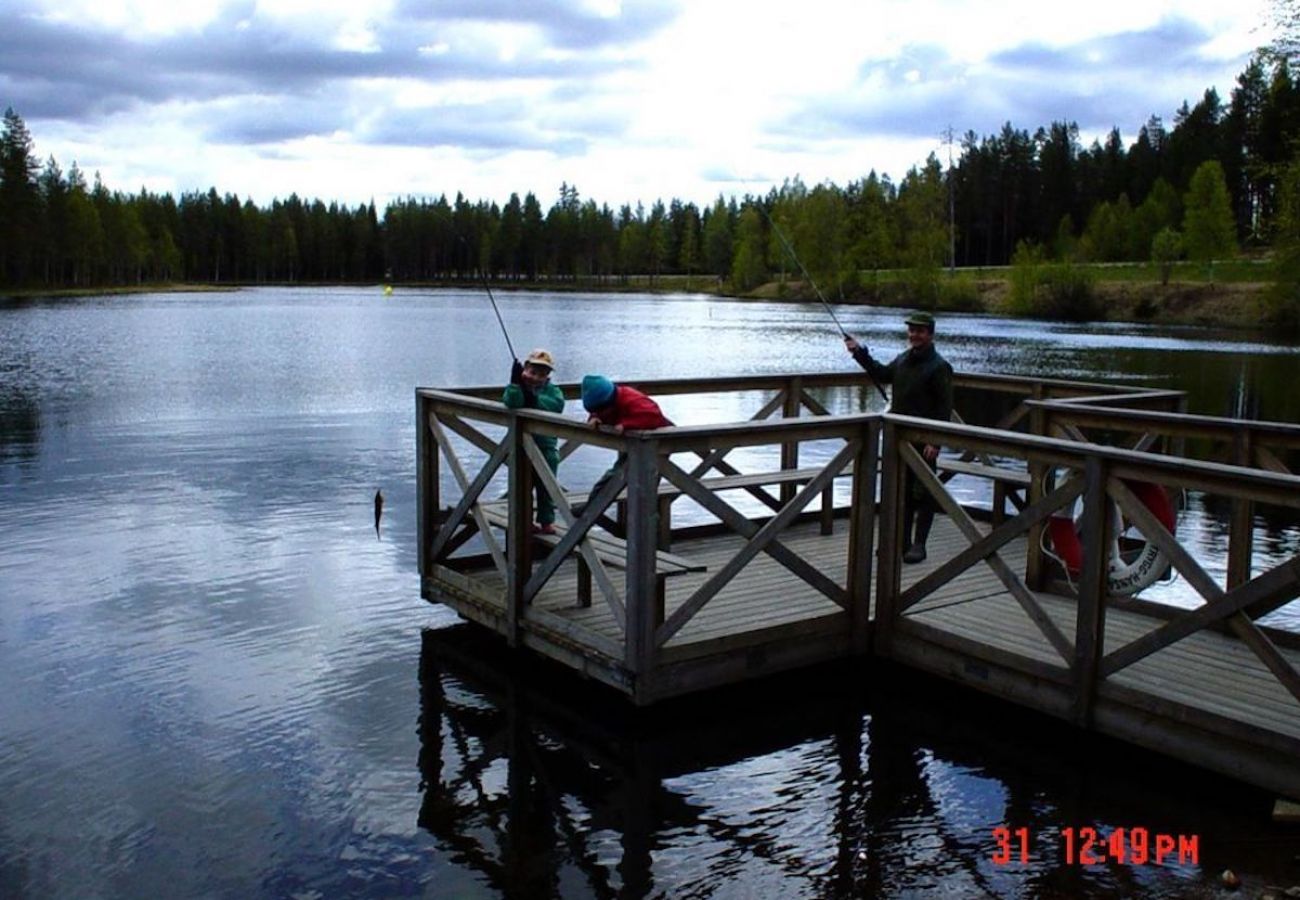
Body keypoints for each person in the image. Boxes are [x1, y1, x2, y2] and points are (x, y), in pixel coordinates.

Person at [845, 311, 954, 563]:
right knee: (901, 492)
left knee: (925, 492)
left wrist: (935, 442)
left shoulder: (939, 367)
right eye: (911, 330)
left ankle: (919, 544)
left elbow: (944, 408)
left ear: (930, 334)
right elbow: (882, 374)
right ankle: (900, 542)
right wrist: (859, 353)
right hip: (899, 438)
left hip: (923, 441)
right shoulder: (903, 359)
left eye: (919, 331)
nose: (914, 335)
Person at [578, 375, 674, 512]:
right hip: (633, 445)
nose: (600, 412)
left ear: (609, 402)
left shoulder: (631, 398)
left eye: (600, 410)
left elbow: (653, 415)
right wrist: (594, 417)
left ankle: (651, 527)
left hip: (658, 446)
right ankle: (589, 509)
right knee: (613, 477)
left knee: (647, 487)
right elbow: (601, 414)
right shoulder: (606, 403)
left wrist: (626, 424)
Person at [502, 349, 565, 534]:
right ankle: (525, 520)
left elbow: (555, 406)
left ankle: (547, 521)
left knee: (547, 487)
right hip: (521, 446)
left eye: (542, 374)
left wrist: (532, 398)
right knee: (523, 487)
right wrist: (515, 384)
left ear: (548, 376)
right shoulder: (518, 386)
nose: (536, 377)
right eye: (532, 372)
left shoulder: (554, 391)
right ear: (525, 370)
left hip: (546, 448)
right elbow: (512, 402)